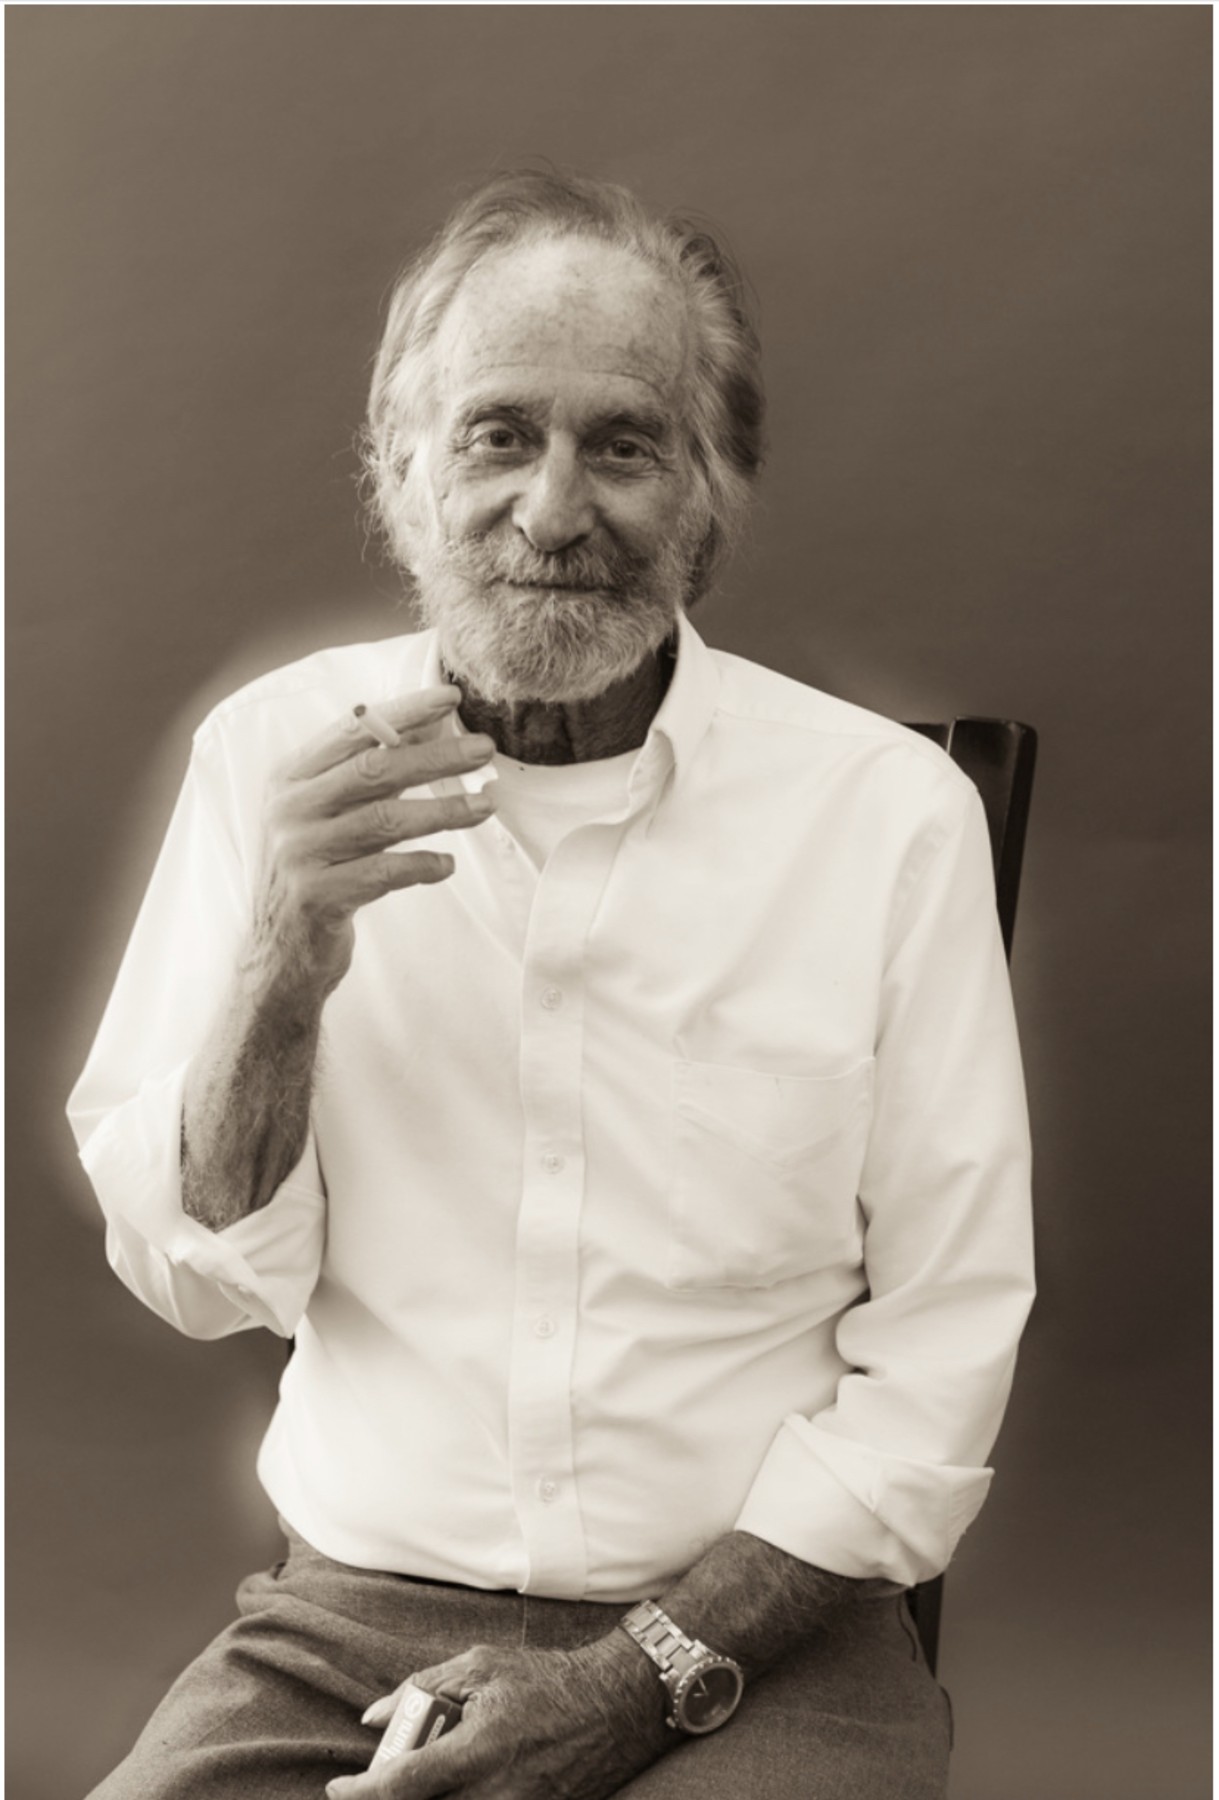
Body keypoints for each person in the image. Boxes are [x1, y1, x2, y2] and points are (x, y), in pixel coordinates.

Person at [68, 168, 1034, 1800]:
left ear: (712, 490)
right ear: (400, 470)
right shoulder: (271, 764)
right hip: (343, 1627)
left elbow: (941, 1362)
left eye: (626, 445)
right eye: (498, 436)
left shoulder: (887, 821)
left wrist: (626, 1685)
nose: (554, 510)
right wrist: (283, 960)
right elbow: (203, 1279)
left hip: (756, 1634)